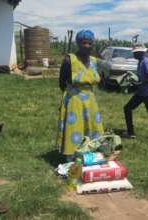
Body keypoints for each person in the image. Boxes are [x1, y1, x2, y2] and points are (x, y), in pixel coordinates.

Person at [57, 30, 104, 161]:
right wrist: (70, 96)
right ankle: (72, 157)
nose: (87, 46)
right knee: (75, 128)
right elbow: (62, 83)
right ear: (78, 43)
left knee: (92, 127)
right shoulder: (69, 60)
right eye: (84, 43)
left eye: (90, 43)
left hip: (90, 100)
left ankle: (91, 154)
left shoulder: (94, 61)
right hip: (74, 99)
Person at [123, 43, 148, 141]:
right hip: (141, 92)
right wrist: (135, 83)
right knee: (127, 108)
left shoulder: (146, 61)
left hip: (147, 93)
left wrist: (140, 83)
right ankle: (131, 132)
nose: (133, 55)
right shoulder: (140, 61)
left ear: (140, 53)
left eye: (135, 53)